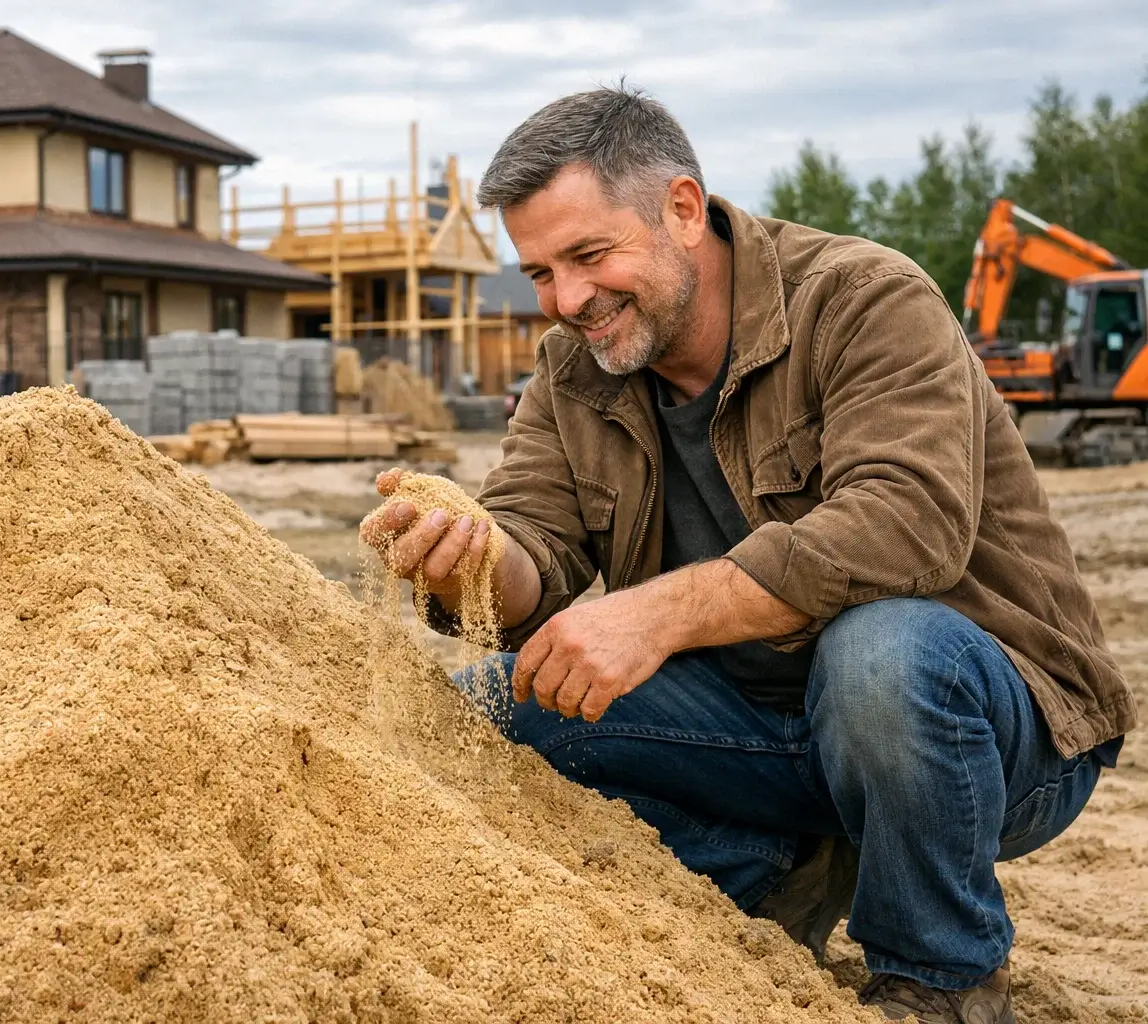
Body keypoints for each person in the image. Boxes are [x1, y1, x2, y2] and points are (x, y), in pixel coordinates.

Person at [360, 87, 1134, 1024]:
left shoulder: (862, 299)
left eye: (590, 256)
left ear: (683, 210)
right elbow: (535, 549)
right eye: (539, 274)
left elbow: (907, 523)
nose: (566, 301)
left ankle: (939, 983)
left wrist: (653, 613)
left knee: (880, 653)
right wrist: (471, 562)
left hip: (989, 735)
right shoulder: (572, 371)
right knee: (497, 702)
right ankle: (774, 874)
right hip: (759, 729)